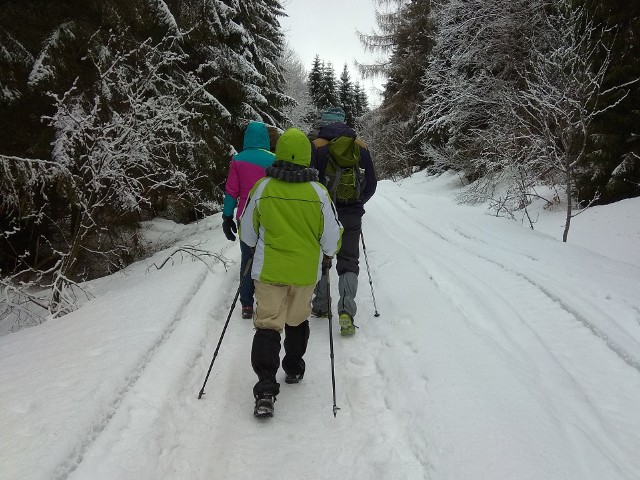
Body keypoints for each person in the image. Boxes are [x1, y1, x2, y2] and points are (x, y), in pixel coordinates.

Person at [240, 127, 343, 417]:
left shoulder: (263, 188)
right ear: (307, 157)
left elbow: (247, 234)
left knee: (268, 324)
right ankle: (294, 368)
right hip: (304, 273)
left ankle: (265, 388)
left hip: (269, 270)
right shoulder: (319, 193)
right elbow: (332, 239)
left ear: (280, 152)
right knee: (297, 321)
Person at [310, 106, 377, 336]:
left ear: (324, 122)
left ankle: (320, 306)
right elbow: (372, 182)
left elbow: (310, 180)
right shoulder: (359, 145)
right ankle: (346, 310)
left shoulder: (317, 145)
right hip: (352, 213)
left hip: (322, 212)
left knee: (322, 256)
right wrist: (359, 202)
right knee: (349, 260)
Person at [221, 121, 276, 320]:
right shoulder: (274, 159)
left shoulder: (237, 160)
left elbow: (231, 191)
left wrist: (227, 216)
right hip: (269, 215)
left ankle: (246, 304)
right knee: (267, 259)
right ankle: (267, 301)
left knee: (247, 259)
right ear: (265, 139)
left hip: (245, 216)